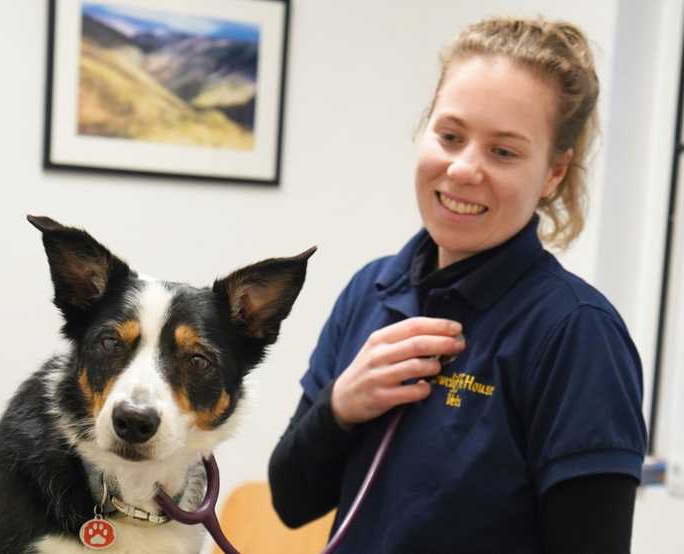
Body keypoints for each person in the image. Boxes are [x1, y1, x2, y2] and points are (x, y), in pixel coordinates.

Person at [268, 16, 647, 554]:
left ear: (554, 173)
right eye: (450, 136)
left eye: (504, 152)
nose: (464, 169)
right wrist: (341, 406)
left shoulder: (577, 333)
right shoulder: (370, 290)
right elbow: (291, 502)